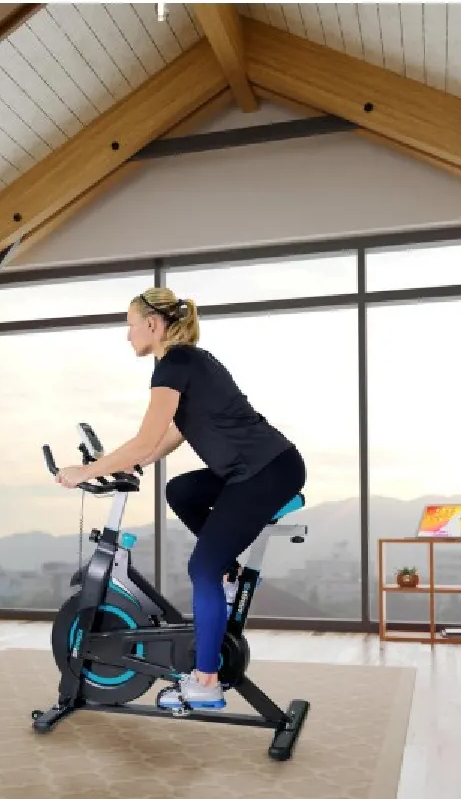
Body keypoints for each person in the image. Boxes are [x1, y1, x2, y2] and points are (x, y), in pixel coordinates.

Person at [55, 286, 306, 711]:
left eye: (131, 325)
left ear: (153, 325)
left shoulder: (175, 364)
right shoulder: (187, 362)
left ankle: (206, 682)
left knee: (201, 569)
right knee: (181, 490)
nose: (127, 335)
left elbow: (145, 438)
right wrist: (135, 461)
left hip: (265, 471)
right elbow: (170, 434)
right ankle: (228, 574)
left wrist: (85, 471)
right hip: (256, 468)